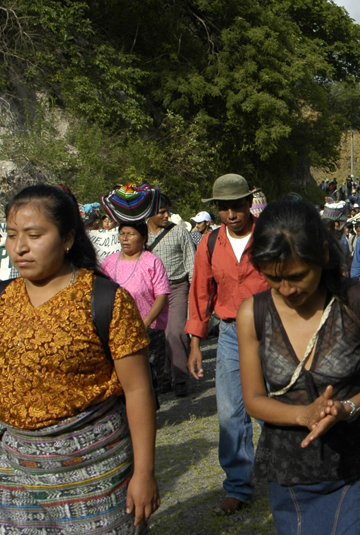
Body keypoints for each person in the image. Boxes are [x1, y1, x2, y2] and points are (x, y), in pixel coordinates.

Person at [0, 185, 163, 535]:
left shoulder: (105, 299)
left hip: (95, 470)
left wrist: (143, 473)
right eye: (12, 234)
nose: (20, 247)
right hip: (16, 471)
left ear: (68, 238)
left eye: (34, 235)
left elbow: (139, 391)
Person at [237, 197, 360, 535]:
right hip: (290, 476)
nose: (287, 288)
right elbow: (254, 400)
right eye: (273, 278)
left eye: (297, 275)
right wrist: (302, 415)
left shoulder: (356, 300)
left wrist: (346, 408)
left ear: (323, 255)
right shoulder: (252, 314)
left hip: (357, 467)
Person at [186, 174, 269, 515]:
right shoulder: (209, 242)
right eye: (224, 207)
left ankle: (289, 473)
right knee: (231, 411)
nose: (231, 214)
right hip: (231, 334)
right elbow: (200, 292)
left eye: (237, 205)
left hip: (272, 327)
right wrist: (195, 341)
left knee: (277, 405)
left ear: (250, 204)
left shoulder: (270, 233)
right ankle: (237, 486)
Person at [100, 206, 171, 403]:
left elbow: (162, 294)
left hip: (149, 329)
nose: (125, 238)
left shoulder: (152, 262)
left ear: (144, 237)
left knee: (149, 375)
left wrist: (145, 323)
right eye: (122, 234)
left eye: (130, 234)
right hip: (117, 330)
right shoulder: (108, 262)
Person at [144, 192, 196, 397]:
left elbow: (191, 262)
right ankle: (164, 378)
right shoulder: (141, 236)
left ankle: (181, 378)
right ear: (149, 214)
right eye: (162, 212)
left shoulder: (179, 232)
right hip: (151, 293)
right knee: (158, 337)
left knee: (175, 332)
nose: (167, 216)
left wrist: (194, 292)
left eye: (168, 212)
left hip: (176, 288)